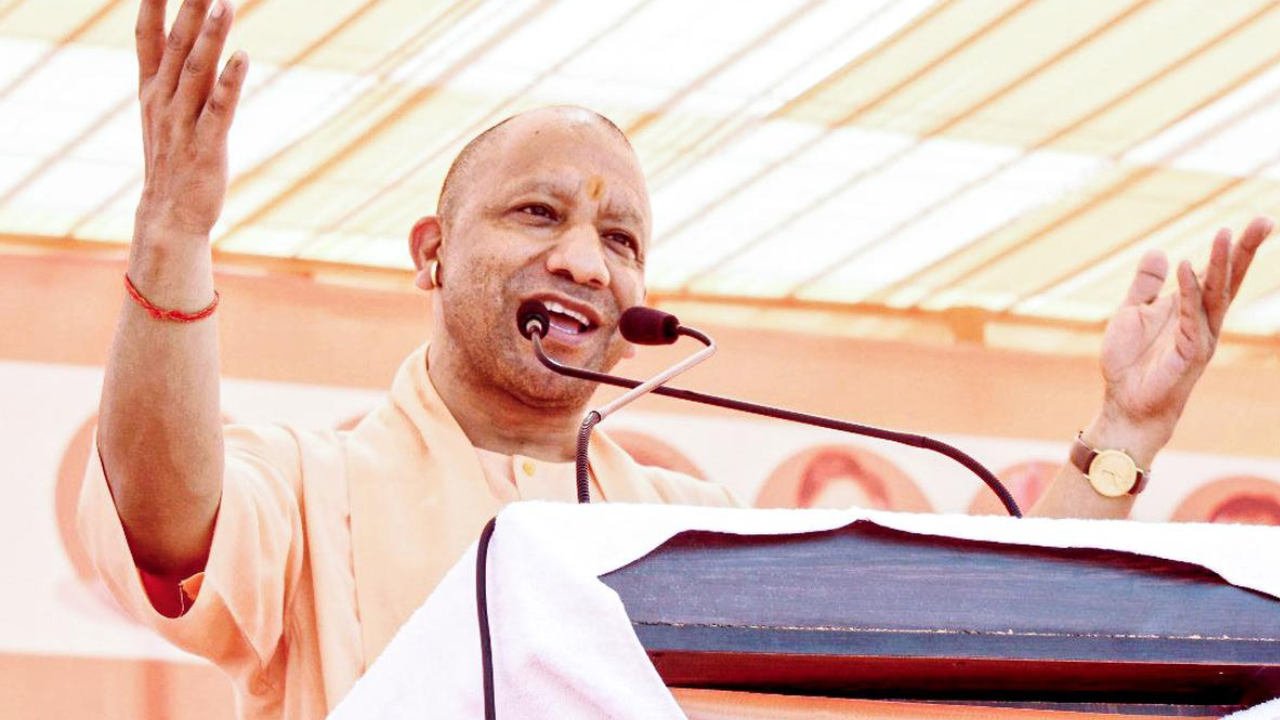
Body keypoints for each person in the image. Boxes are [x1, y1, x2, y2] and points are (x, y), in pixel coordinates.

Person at [79, 1, 1275, 718]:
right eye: (537, 214)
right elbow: (166, 515)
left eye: (620, 240)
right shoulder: (312, 483)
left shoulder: (685, 528)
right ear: (431, 255)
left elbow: (966, 654)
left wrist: (1121, 436)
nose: (584, 262)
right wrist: (174, 235)